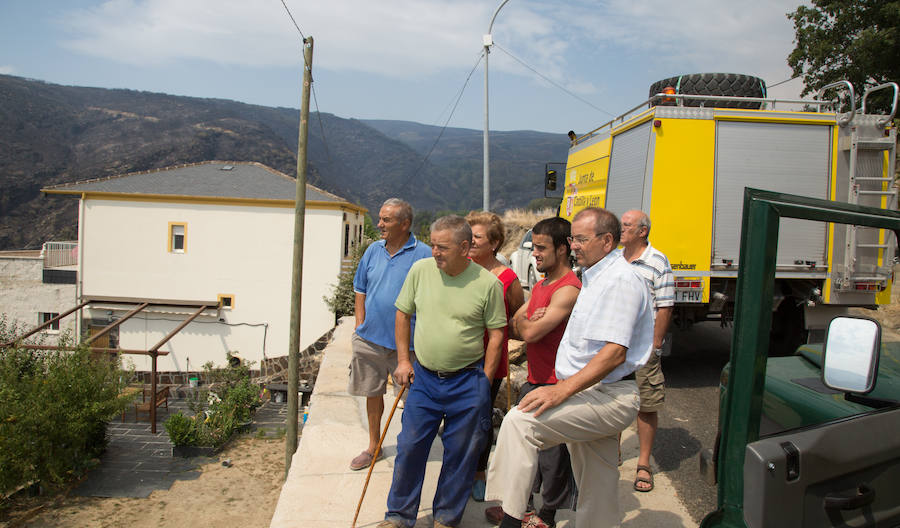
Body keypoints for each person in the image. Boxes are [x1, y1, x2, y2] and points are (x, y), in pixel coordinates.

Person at [485, 207, 654, 528]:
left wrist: (560, 390)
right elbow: (522, 321)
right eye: (572, 238)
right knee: (598, 486)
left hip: (606, 395)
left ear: (607, 241)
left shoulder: (619, 281)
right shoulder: (594, 277)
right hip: (593, 393)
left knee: (520, 423)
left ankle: (512, 517)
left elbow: (615, 353)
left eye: (580, 239)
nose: (573, 245)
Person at [379, 215, 508, 528]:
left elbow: (497, 334)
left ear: (464, 247)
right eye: (433, 245)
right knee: (410, 447)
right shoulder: (421, 270)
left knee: (460, 454)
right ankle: (398, 516)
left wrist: (485, 380)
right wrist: (403, 361)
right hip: (423, 377)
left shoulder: (488, 283)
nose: (434, 252)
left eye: (442, 247)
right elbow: (402, 313)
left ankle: (446, 518)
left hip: (467, 381)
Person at [485, 217, 581, 528]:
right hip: (534, 381)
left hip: (557, 386)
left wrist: (528, 324)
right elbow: (515, 324)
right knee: (523, 454)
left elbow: (529, 332)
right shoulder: (541, 285)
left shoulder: (569, 289)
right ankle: (522, 510)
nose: (534, 253)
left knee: (553, 461)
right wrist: (528, 323)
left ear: (564, 248)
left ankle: (546, 517)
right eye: (534, 246)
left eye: (541, 247)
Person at [348, 198, 431, 471]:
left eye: (386, 220)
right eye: (380, 218)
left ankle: (409, 450)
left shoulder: (424, 255)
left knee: (412, 400)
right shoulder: (373, 250)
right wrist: (360, 321)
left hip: (407, 346)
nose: (379, 224)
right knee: (372, 393)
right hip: (369, 339)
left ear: (405, 224)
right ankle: (373, 447)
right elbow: (360, 287)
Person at [465, 211, 525, 501]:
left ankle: (479, 472)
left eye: (477, 237)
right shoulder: (458, 268)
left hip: (489, 361)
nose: (470, 241)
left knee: (481, 419)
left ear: (495, 243)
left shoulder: (507, 277)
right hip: (457, 358)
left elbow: (515, 317)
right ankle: (459, 469)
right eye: (469, 235)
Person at [620, 209, 674, 493]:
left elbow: (664, 306)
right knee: (611, 399)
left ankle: (643, 463)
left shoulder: (657, 261)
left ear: (643, 231)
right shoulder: (615, 258)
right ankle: (612, 452)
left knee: (646, 404)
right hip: (615, 345)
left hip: (642, 348)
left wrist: (655, 344)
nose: (621, 229)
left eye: (627, 225)